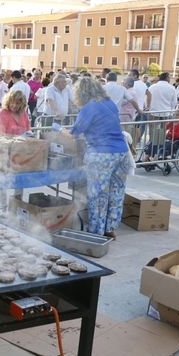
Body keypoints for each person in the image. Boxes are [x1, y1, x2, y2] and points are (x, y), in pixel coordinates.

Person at [67, 77, 132, 238]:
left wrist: (61, 132)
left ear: (81, 93)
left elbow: (75, 133)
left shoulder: (89, 107)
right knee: (116, 193)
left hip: (101, 155)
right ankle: (110, 229)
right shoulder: (110, 104)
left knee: (98, 195)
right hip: (121, 153)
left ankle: (96, 232)